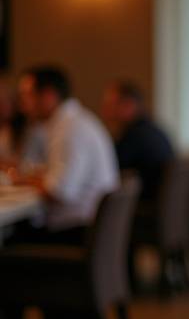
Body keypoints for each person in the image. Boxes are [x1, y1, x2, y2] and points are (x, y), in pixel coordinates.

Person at [13, 66, 119, 244]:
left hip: (78, 232)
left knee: (11, 243)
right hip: (94, 230)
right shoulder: (75, 121)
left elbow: (60, 192)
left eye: (27, 96)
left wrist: (21, 179)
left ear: (48, 95)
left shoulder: (69, 129)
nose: (23, 105)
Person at [101, 80, 174, 208]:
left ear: (129, 105)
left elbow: (109, 172)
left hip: (144, 211)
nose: (105, 111)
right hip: (163, 208)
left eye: (110, 105)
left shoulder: (134, 138)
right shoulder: (155, 130)